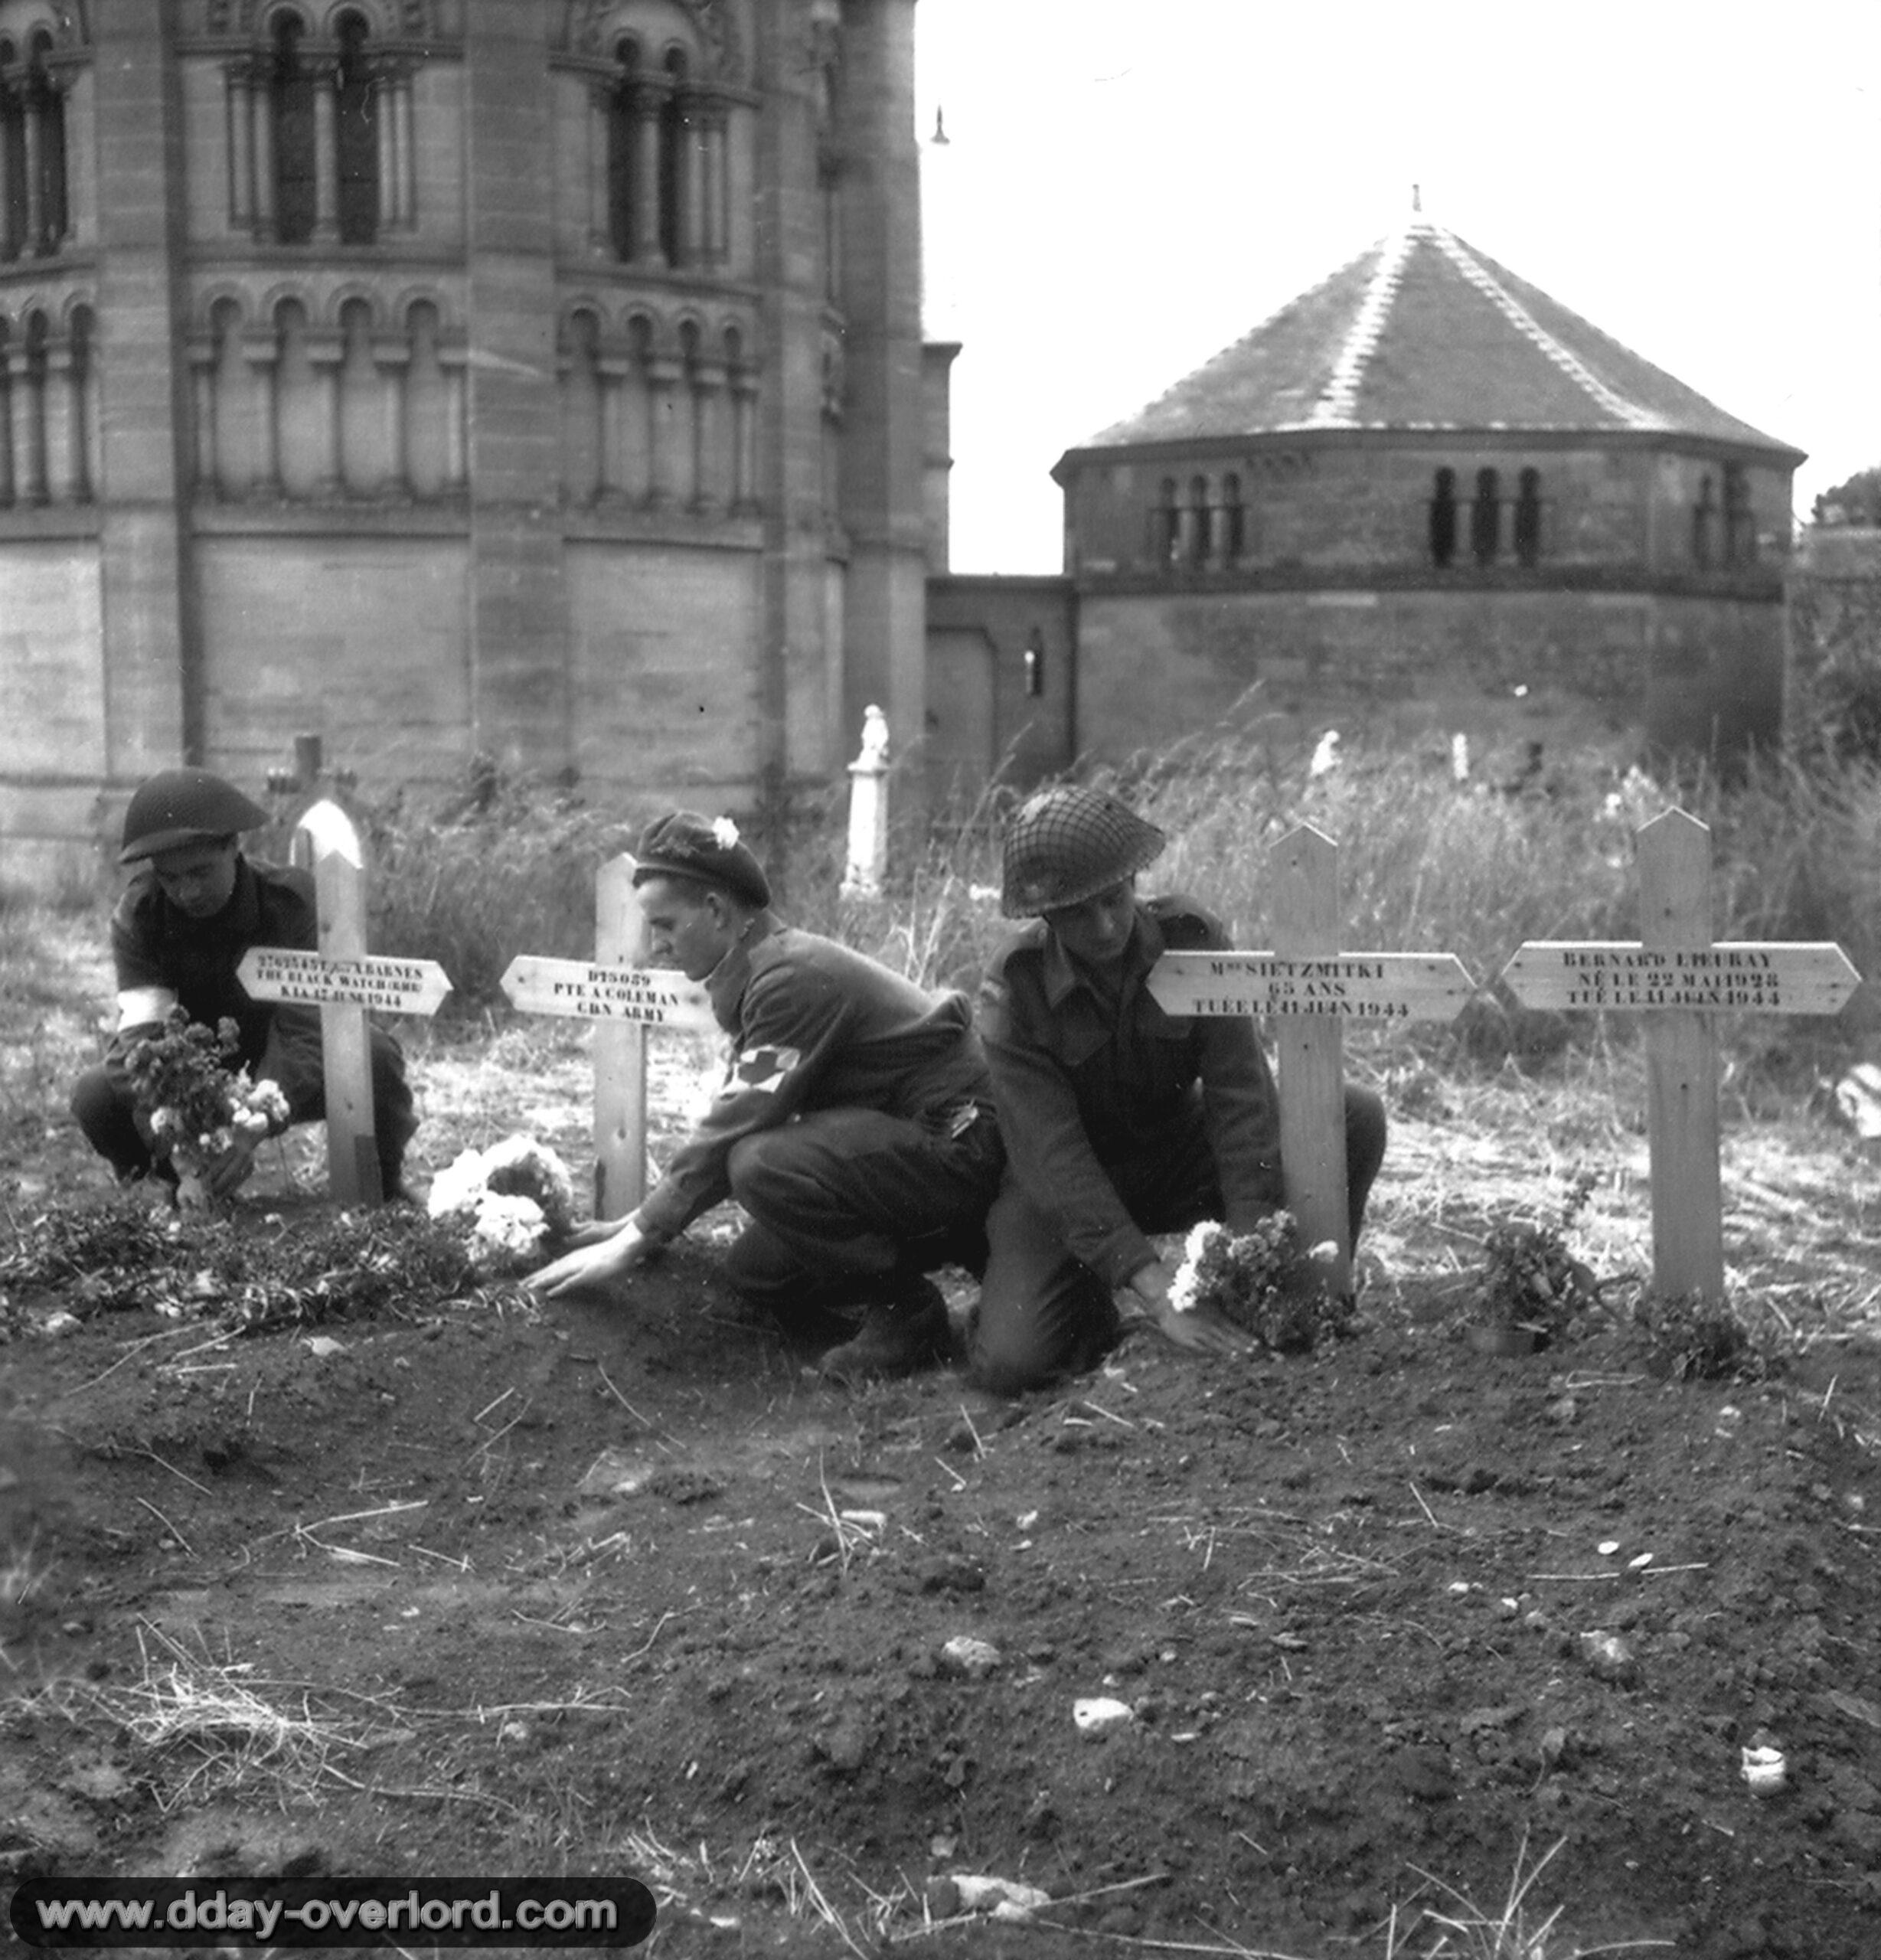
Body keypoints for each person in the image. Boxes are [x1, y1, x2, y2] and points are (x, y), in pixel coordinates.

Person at [525, 812, 1003, 1382]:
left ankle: (907, 1313)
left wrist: (637, 1237)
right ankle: (907, 1271)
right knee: (758, 1273)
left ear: (716, 910)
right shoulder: (762, 969)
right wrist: (644, 1221)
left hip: (959, 1145)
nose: (657, 947)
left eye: (666, 926)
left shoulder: (788, 981)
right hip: (907, 1146)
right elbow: (741, 1110)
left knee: (760, 1163)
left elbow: (741, 1123)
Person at [968, 784, 1388, 1396]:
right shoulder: (1014, 992)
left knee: (1348, 1112)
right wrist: (1155, 1289)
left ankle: (1310, 1289)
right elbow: (1051, 1158)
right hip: (1065, 1188)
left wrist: (1250, 1260)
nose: (1106, 925)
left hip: (1174, 1154)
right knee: (1012, 1366)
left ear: (1134, 881)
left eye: (1114, 900)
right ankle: (1085, 1300)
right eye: (1077, 915)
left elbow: (1239, 1098)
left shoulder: (1190, 939)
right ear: (1047, 918)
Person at [70, 766, 417, 1202]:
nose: (187, 892)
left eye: (200, 872)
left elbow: (307, 1029)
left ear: (235, 847)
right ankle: (179, 1189)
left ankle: (384, 1188)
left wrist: (249, 1126)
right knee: (95, 1093)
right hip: (193, 1074)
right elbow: (142, 1042)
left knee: (374, 1054)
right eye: (171, 878)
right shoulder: (140, 915)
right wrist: (178, 1142)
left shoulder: (293, 902)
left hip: (281, 1058)